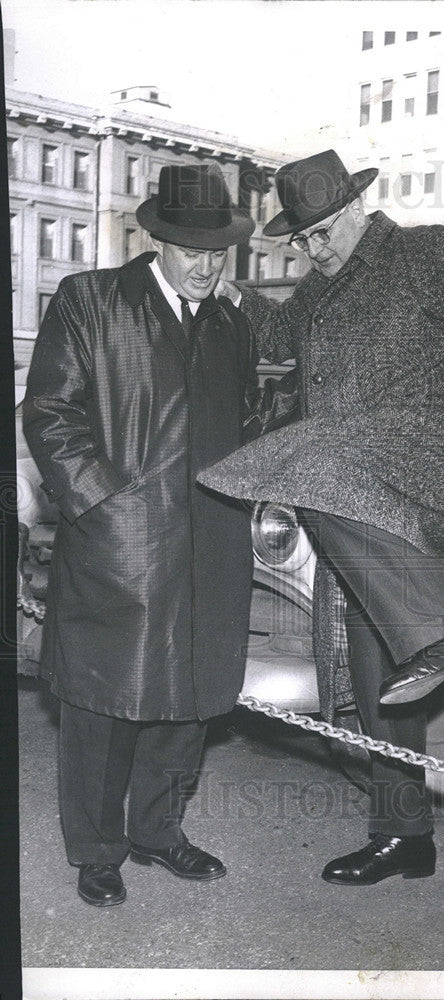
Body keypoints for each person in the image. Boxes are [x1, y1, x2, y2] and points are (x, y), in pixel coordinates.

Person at [202, 149, 444, 886]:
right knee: (380, 673)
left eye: (324, 230)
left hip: (429, 469)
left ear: (358, 206)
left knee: (303, 456)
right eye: (302, 238)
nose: (315, 248)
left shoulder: (423, 252)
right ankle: (403, 834)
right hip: (363, 499)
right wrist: (230, 295)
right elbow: (276, 340)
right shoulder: (318, 291)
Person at [23, 164, 264, 907]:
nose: (204, 264)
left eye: (217, 251)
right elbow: (49, 414)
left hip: (209, 545)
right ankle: (98, 851)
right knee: (104, 704)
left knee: (186, 698)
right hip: (118, 546)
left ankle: (159, 832)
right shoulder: (91, 301)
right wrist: (103, 507)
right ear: (155, 238)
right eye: (190, 249)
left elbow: (248, 422)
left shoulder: (229, 323)